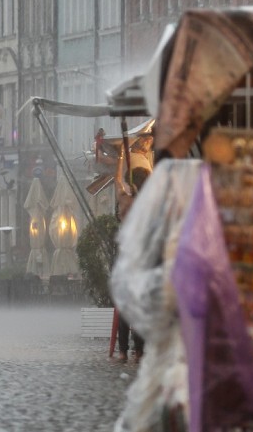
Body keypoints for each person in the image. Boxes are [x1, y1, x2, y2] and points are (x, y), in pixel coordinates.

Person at [115, 152, 151, 363]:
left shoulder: (125, 202)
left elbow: (117, 181)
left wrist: (120, 159)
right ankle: (138, 351)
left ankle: (123, 351)